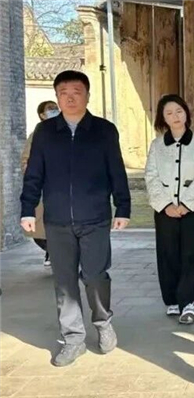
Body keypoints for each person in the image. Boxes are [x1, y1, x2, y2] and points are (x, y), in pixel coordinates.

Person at [20, 70, 131, 367]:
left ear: (87, 96)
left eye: (76, 92)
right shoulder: (45, 132)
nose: (70, 98)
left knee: (95, 276)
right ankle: (73, 338)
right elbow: (34, 174)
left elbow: (116, 170)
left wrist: (123, 207)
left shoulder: (104, 130)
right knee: (64, 281)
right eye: (64, 93)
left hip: (95, 217)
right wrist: (28, 209)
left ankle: (103, 322)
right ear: (57, 97)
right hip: (57, 220)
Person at [145, 94, 194, 325]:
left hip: (193, 210)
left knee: (192, 254)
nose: (175, 116)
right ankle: (172, 299)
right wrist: (166, 205)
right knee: (168, 253)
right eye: (169, 113)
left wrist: (186, 205)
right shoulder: (157, 146)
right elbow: (151, 176)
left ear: (186, 113)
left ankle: (189, 302)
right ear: (162, 118)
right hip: (165, 210)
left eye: (179, 111)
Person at [21, 100, 60, 267]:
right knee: (39, 228)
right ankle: (51, 250)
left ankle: (60, 253)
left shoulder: (68, 130)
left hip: (65, 187)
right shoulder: (37, 135)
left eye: (55, 108)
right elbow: (26, 160)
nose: (55, 110)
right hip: (44, 187)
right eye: (50, 109)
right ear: (42, 115)